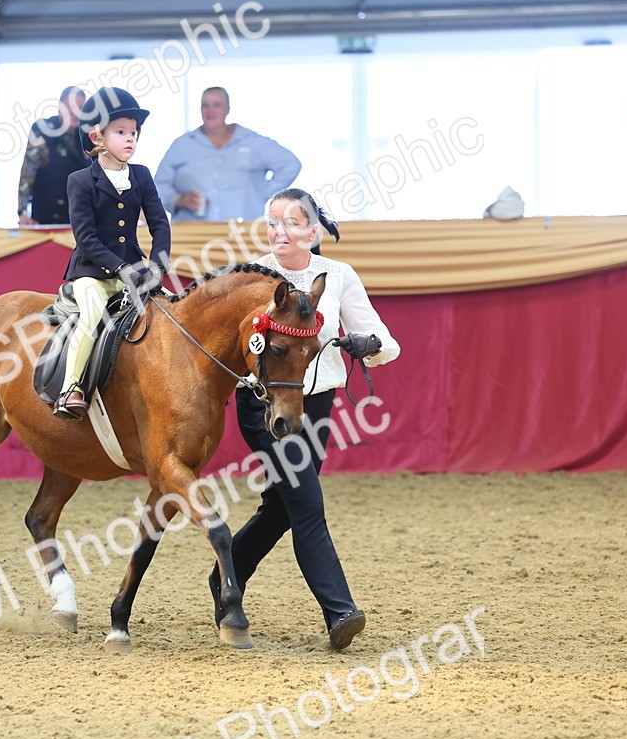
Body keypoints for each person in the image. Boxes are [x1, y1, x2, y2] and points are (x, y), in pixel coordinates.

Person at [209, 188, 400, 651]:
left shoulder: (338, 276)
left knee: (282, 507)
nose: (279, 232)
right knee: (307, 504)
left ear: (313, 232)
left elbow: (386, 341)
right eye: (272, 223)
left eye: (291, 223)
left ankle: (225, 577)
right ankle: (340, 611)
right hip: (265, 406)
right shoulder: (249, 278)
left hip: (316, 406)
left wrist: (367, 344)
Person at [54, 87, 171, 418]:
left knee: (173, 312)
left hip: (135, 270)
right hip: (93, 273)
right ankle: (70, 388)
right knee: (92, 316)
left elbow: (160, 224)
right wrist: (120, 268)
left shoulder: (142, 175)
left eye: (133, 132)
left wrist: (158, 266)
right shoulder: (79, 181)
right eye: (120, 132)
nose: (130, 138)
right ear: (97, 137)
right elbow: (86, 238)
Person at [155, 87, 302, 222]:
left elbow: (290, 164)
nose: (210, 111)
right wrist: (178, 200)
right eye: (205, 105)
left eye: (217, 105)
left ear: (227, 109)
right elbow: (158, 186)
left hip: (242, 232)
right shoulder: (182, 145)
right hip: (191, 233)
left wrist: (261, 194)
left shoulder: (253, 142)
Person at [18, 86, 89, 226]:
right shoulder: (42, 129)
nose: (76, 113)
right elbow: (28, 171)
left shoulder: (88, 135)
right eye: (71, 107)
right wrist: (22, 211)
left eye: (81, 108)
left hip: (79, 220)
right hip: (44, 216)